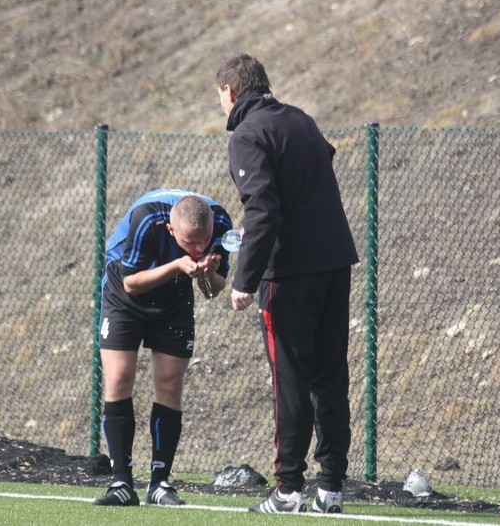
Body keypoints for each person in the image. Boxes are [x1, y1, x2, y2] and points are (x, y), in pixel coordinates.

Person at [215, 54, 359, 514]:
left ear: (232, 93)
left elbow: (264, 210)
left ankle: (288, 490)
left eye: (219, 95)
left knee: (290, 378)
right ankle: (331, 488)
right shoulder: (301, 119)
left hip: (290, 271)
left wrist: (244, 279)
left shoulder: (247, 134)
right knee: (330, 372)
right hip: (335, 260)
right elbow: (315, 171)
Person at [93, 189, 232, 507]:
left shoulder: (220, 221)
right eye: (190, 242)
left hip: (174, 294)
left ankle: (160, 484)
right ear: (171, 230)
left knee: (170, 383)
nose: (199, 248)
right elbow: (131, 282)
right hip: (125, 291)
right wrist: (178, 265)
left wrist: (207, 271)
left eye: (204, 241)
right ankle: (121, 484)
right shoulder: (148, 219)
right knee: (119, 378)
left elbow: (213, 291)